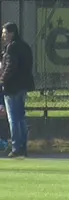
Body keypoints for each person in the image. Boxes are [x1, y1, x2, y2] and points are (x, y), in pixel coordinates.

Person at [0, 22, 35, 158]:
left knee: (13, 118)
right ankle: (23, 146)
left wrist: (2, 79)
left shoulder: (11, 48)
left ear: (12, 33)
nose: (3, 35)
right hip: (23, 86)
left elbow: (10, 66)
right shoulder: (25, 46)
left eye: (5, 33)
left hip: (12, 87)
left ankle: (16, 147)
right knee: (21, 117)